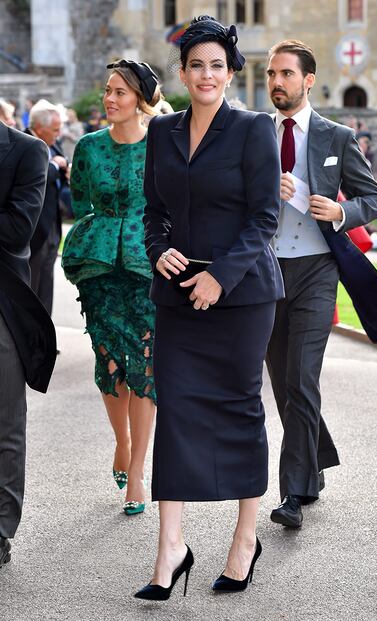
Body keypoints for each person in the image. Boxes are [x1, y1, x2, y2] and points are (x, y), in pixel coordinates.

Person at [135, 16, 283, 601]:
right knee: (173, 411)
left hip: (243, 295)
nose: (206, 74)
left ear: (230, 72)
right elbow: (152, 213)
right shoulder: (162, 133)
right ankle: (170, 547)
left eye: (216, 65)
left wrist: (220, 277)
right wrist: (159, 251)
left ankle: (245, 540)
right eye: (196, 64)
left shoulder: (253, 130)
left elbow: (264, 218)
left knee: (240, 408)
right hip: (177, 294)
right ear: (182, 72)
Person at [265, 40, 377, 529]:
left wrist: (340, 211)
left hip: (317, 269)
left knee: (301, 379)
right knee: (281, 383)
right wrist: (262, 190)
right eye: (272, 74)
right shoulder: (253, 132)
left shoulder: (336, 136)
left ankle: (292, 493)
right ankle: (313, 465)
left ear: (308, 80)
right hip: (266, 270)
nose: (277, 82)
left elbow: (372, 197)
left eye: (286, 74)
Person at [62, 59, 161, 515]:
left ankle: (137, 469)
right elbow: (81, 201)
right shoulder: (87, 146)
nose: (109, 99)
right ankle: (121, 440)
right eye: (107, 91)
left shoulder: (162, 143)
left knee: (143, 362)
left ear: (139, 98)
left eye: (119, 92)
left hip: (147, 267)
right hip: (98, 267)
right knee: (110, 360)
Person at [0, 120, 56, 568]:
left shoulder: (27, 151)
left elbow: (17, 229)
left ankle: (0, 532)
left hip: (3, 305)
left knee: (5, 426)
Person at [25, 99, 68, 315]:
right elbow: (38, 174)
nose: (58, 134)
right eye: (55, 129)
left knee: (47, 285)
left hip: (52, 224)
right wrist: (54, 165)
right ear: (40, 129)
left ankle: (45, 340)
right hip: (33, 228)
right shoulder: (24, 142)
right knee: (31, 286)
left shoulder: (52, 144)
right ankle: (27, 342)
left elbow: (59, 164)